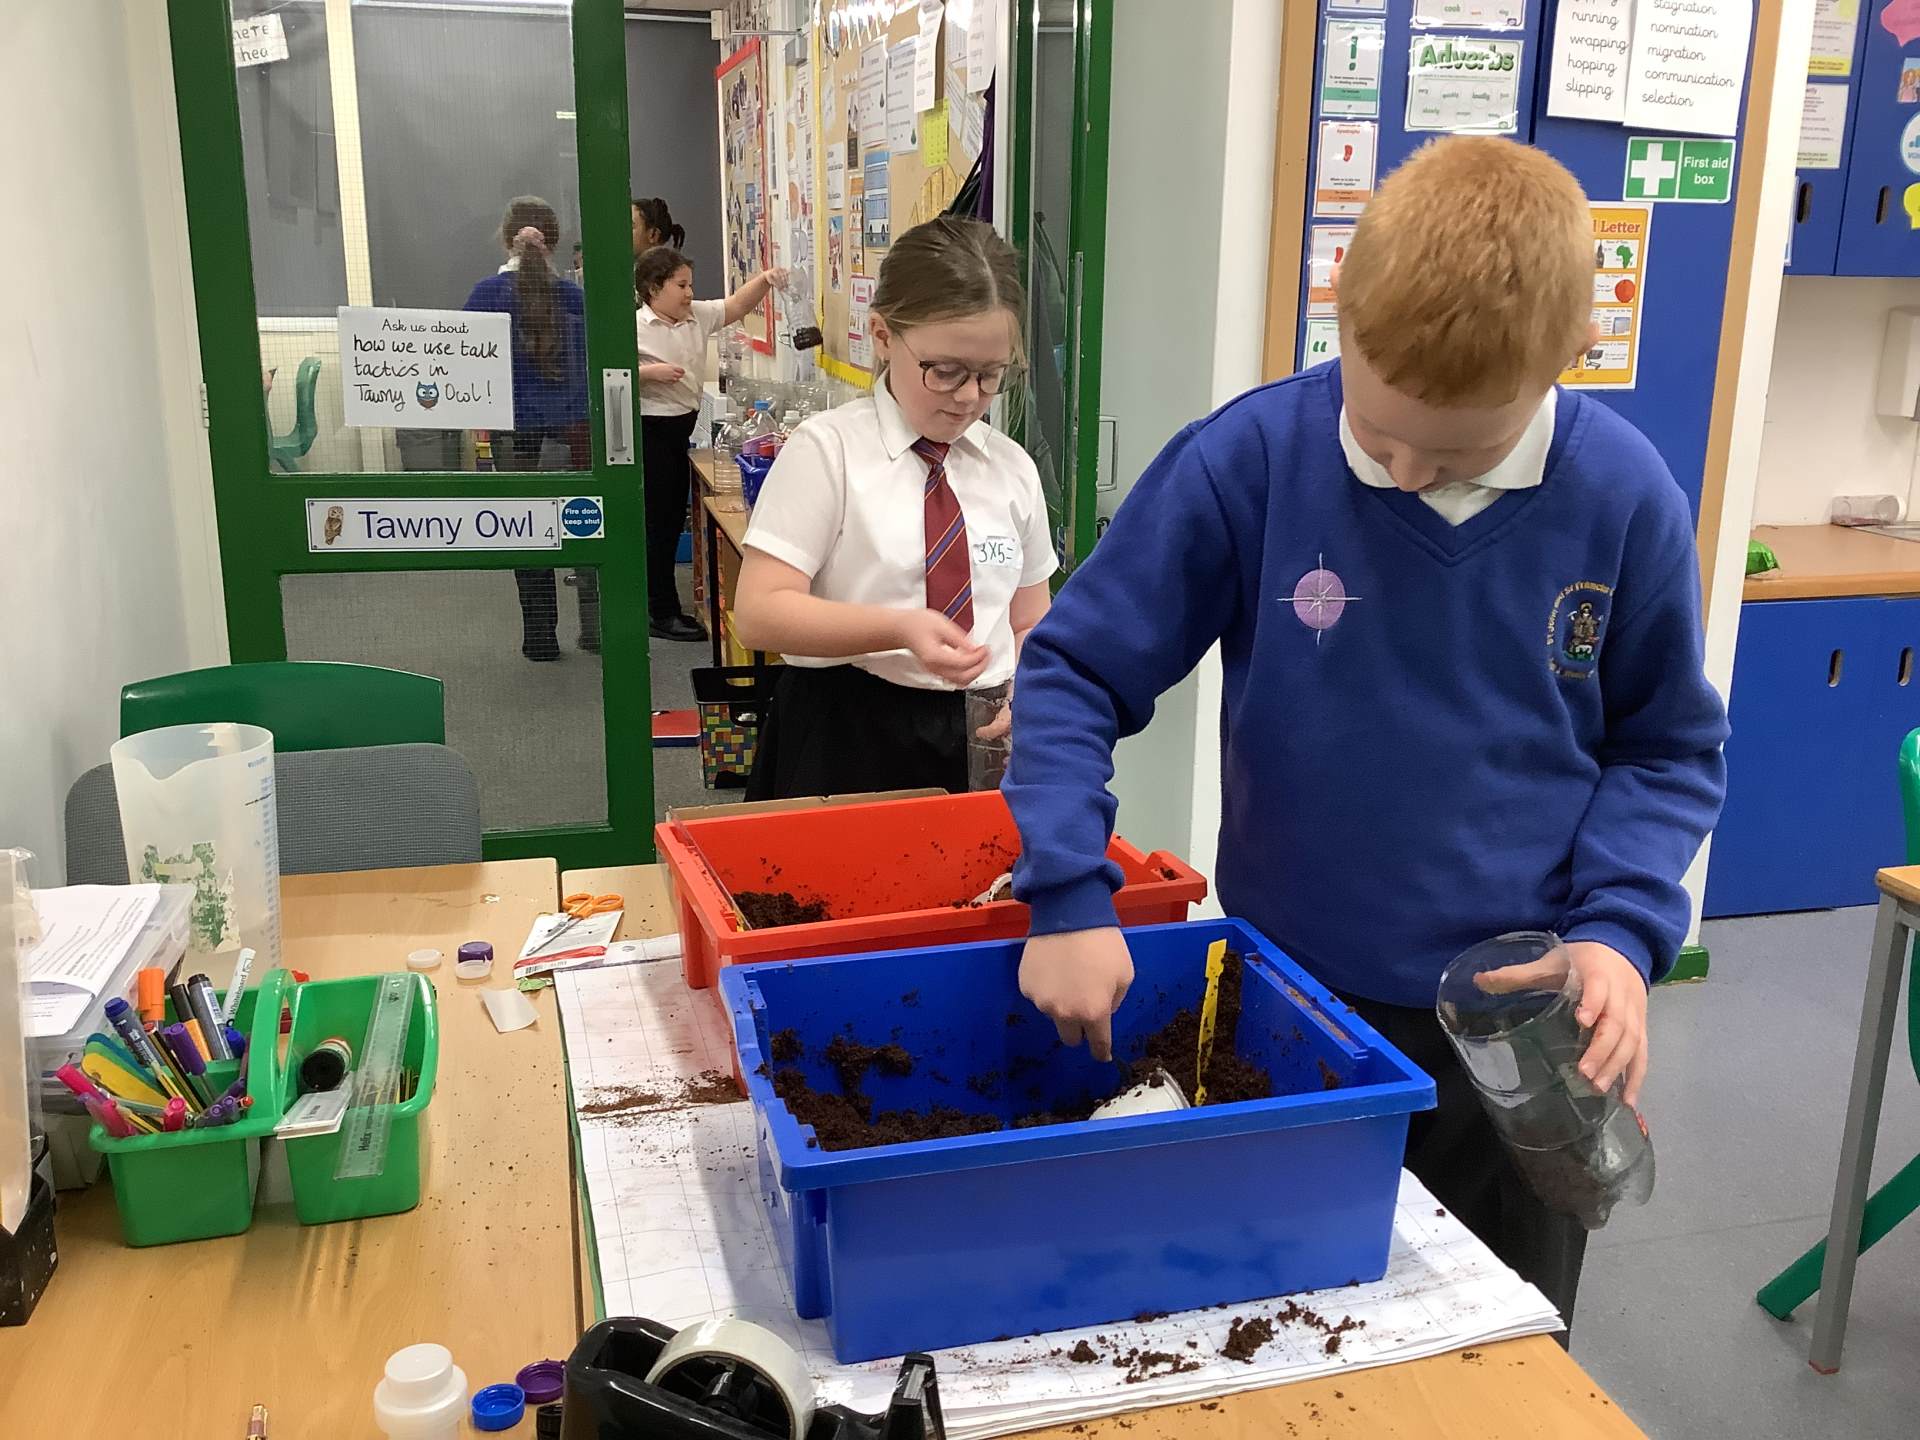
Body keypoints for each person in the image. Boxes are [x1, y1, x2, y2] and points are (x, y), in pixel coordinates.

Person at [1002, 137, 1729, 1333]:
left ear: (1564, 361)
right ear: (1342, 318)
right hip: (1300, 1002)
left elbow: (1664, 748)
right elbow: (1077, 668)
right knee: (1278, 1321)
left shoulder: (1626, 496)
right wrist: (1068, 891)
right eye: (1375, 429)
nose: (1403, 467)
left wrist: (1620, 932)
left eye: (1452, 451)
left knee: (1499, 1344)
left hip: (1521, 1030)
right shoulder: (1253, 459)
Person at [732, 217, 1056, 798]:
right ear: (883, 335)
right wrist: (900, 628)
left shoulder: (1011, 469)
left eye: (991, 376)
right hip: (849, 729)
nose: (968, 397)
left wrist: (1030, 688)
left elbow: (1029, 619)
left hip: (979, 732)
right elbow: (760, 613)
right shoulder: (829, 451)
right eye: (945, 371)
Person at [464, 196, 593, 661]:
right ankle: (596, 630)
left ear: (505, 239)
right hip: (573, 428)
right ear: (553, 242)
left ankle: (540, 639)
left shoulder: (485, 296)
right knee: (586, 523)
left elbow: (464, 369)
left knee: (526, 528)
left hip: (513, 432)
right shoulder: (575, 297)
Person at [634, 244, 786, 640]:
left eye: (690, 285)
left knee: (669, 519)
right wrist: (650, 374)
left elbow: (736, 305)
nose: (689, 293)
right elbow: (610, 372)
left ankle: (661, 604)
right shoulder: (634, 326)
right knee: (659, 523)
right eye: (681, 285)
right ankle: (660, 611)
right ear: (653, 288)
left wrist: (765, 280)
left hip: (680, 427)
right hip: (651, 428)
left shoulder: (695, 316)